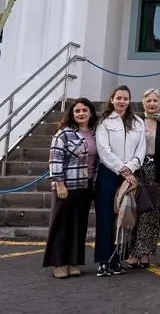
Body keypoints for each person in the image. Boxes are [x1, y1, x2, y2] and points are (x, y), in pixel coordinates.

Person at [42, 98, 99, 279]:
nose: (81, 113)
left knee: (79, 226)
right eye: (77, 111)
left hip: (86, 185)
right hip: (67, 186)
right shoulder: (63, 134)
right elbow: (55, 159)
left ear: (90, 112)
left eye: (84, 110)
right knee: (61, 225)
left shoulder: (95, 133)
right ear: (72, 114)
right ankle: (60, 263)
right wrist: (59, 184)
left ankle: (74, 262)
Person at [94, 86, 147, 277]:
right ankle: (103, 261)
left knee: (122, 217)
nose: (122, 101)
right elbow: (103, 149)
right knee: (105, 217)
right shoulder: (104, 122)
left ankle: (116, 261)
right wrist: (121, 168)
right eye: (118, 98)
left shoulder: (138, 122)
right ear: (112, 99)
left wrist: (131, 167)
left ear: (129, 101)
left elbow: (141, 150)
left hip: (130, 174)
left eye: (125, 98)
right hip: (109, 173)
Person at [128, 88, 160, 270]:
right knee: (135, 212)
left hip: (157, 170)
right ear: (143, 102)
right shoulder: (135, 121)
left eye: (155, 100)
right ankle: (133, 252)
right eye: (149, 100)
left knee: (152, 213)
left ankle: (145, 252)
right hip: (137, 170)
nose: (152, 103)